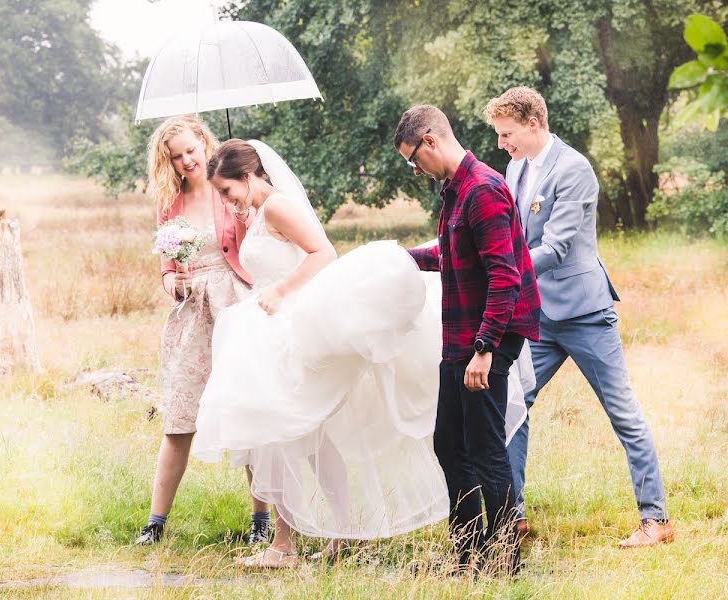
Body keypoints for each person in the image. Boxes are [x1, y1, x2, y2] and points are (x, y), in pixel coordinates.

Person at [192, 138, 458, 568]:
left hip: (291, 328)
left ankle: (293, 543)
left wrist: (279, 291)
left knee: (291, 435)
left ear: (247, 176)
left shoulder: (277, 207)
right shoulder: (258, 213)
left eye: (227, 191)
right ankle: (322, 536)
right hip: (268, 328)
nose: (226, 201)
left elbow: (323, 252)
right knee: (294, 437)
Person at [484, 86, 674, 548]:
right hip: (539, 317)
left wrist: (503, 272)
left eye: (507, 133)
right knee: (513, 403)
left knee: (622, 412)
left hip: (586, 314)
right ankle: (514, 514)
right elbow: (513, 234)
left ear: (533, 123)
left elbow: (556, 247)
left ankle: (657, 521)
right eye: (498, 135)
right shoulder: (514, 167)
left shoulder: (574, 169)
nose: (501, 144)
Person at [394, 104, 541, 574]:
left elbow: (506, 277)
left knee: (484, 448)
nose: (415, 169)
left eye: (414, 159)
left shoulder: (483, 191)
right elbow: (453, 254)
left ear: (431, 141)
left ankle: (503, 560)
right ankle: (466, 552)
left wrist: (485, 349)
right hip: (461, 334)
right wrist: (399, 260)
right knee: (448, 444)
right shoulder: (454, 192)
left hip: (488, 338)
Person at [135, 116, 271, 546]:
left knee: (248, 408)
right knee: (179, 414)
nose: (186, 161)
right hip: (192, 312)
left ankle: (260, 520)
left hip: (235, 302)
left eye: (191, 151)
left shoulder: (230, 190)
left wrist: (244, 211)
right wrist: (171, 283)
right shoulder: (169, 205)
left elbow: (261, 245)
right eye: (176, 157)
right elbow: (166, 268)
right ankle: (156, 523)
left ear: (204, 142)